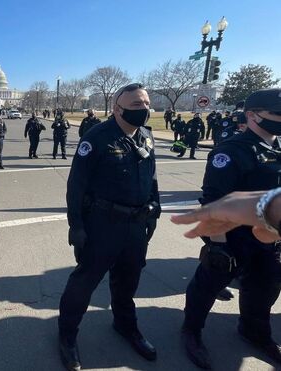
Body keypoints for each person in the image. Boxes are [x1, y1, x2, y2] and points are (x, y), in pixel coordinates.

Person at [58, 83, 161, 370]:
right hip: (102, 224)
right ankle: (67, 335)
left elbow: (151, 176)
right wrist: (75, 225)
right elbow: (76, 186)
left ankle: (126, 326)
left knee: (128, 280)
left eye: (147, 103)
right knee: (84, 282)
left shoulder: (146, 136)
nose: (145, 108)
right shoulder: (97, 138)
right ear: (118, 109)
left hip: (136, 224)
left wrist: (155, 209)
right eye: (137, 104)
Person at [181, 89, 281, 369]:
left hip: (270, 236)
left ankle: (254, 331)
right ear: (252, 115)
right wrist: (217, 246)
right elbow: (213, 201)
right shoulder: (231, 151)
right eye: (277, 114)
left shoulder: (277, 146)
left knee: (265, 288)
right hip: (235, 236)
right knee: (208, 285)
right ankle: (191, 331)